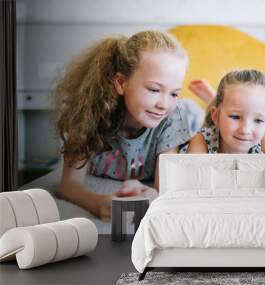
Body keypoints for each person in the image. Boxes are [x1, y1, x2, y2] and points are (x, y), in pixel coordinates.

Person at [53, 31, 191, 221]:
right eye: (154, 89)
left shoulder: (171, 118)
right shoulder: (92, 111)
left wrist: (151, 195)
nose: (164, 104)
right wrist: (97, 203)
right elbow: (67, 185)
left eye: (174, 94)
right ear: (121, 82)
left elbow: (163, 188)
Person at [186, 69, 265, 154]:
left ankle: (212, 97)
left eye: (258, 120)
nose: (245, 130)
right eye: (235, 117)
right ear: (215, 116)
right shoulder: (201, 141)